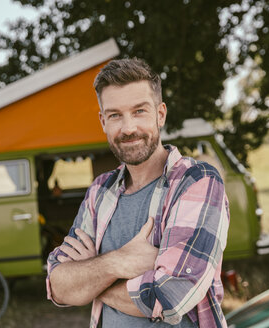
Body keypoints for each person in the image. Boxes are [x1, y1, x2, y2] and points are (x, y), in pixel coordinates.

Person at [46, 58, 230, 328]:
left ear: (161, 114)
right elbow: (58, 286)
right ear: (103, 121)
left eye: (139, 111)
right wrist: (118, 263)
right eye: (115, 115)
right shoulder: (100, 190)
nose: (128, 128)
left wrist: (90, 281)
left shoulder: (196, 181)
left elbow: (171, 297)